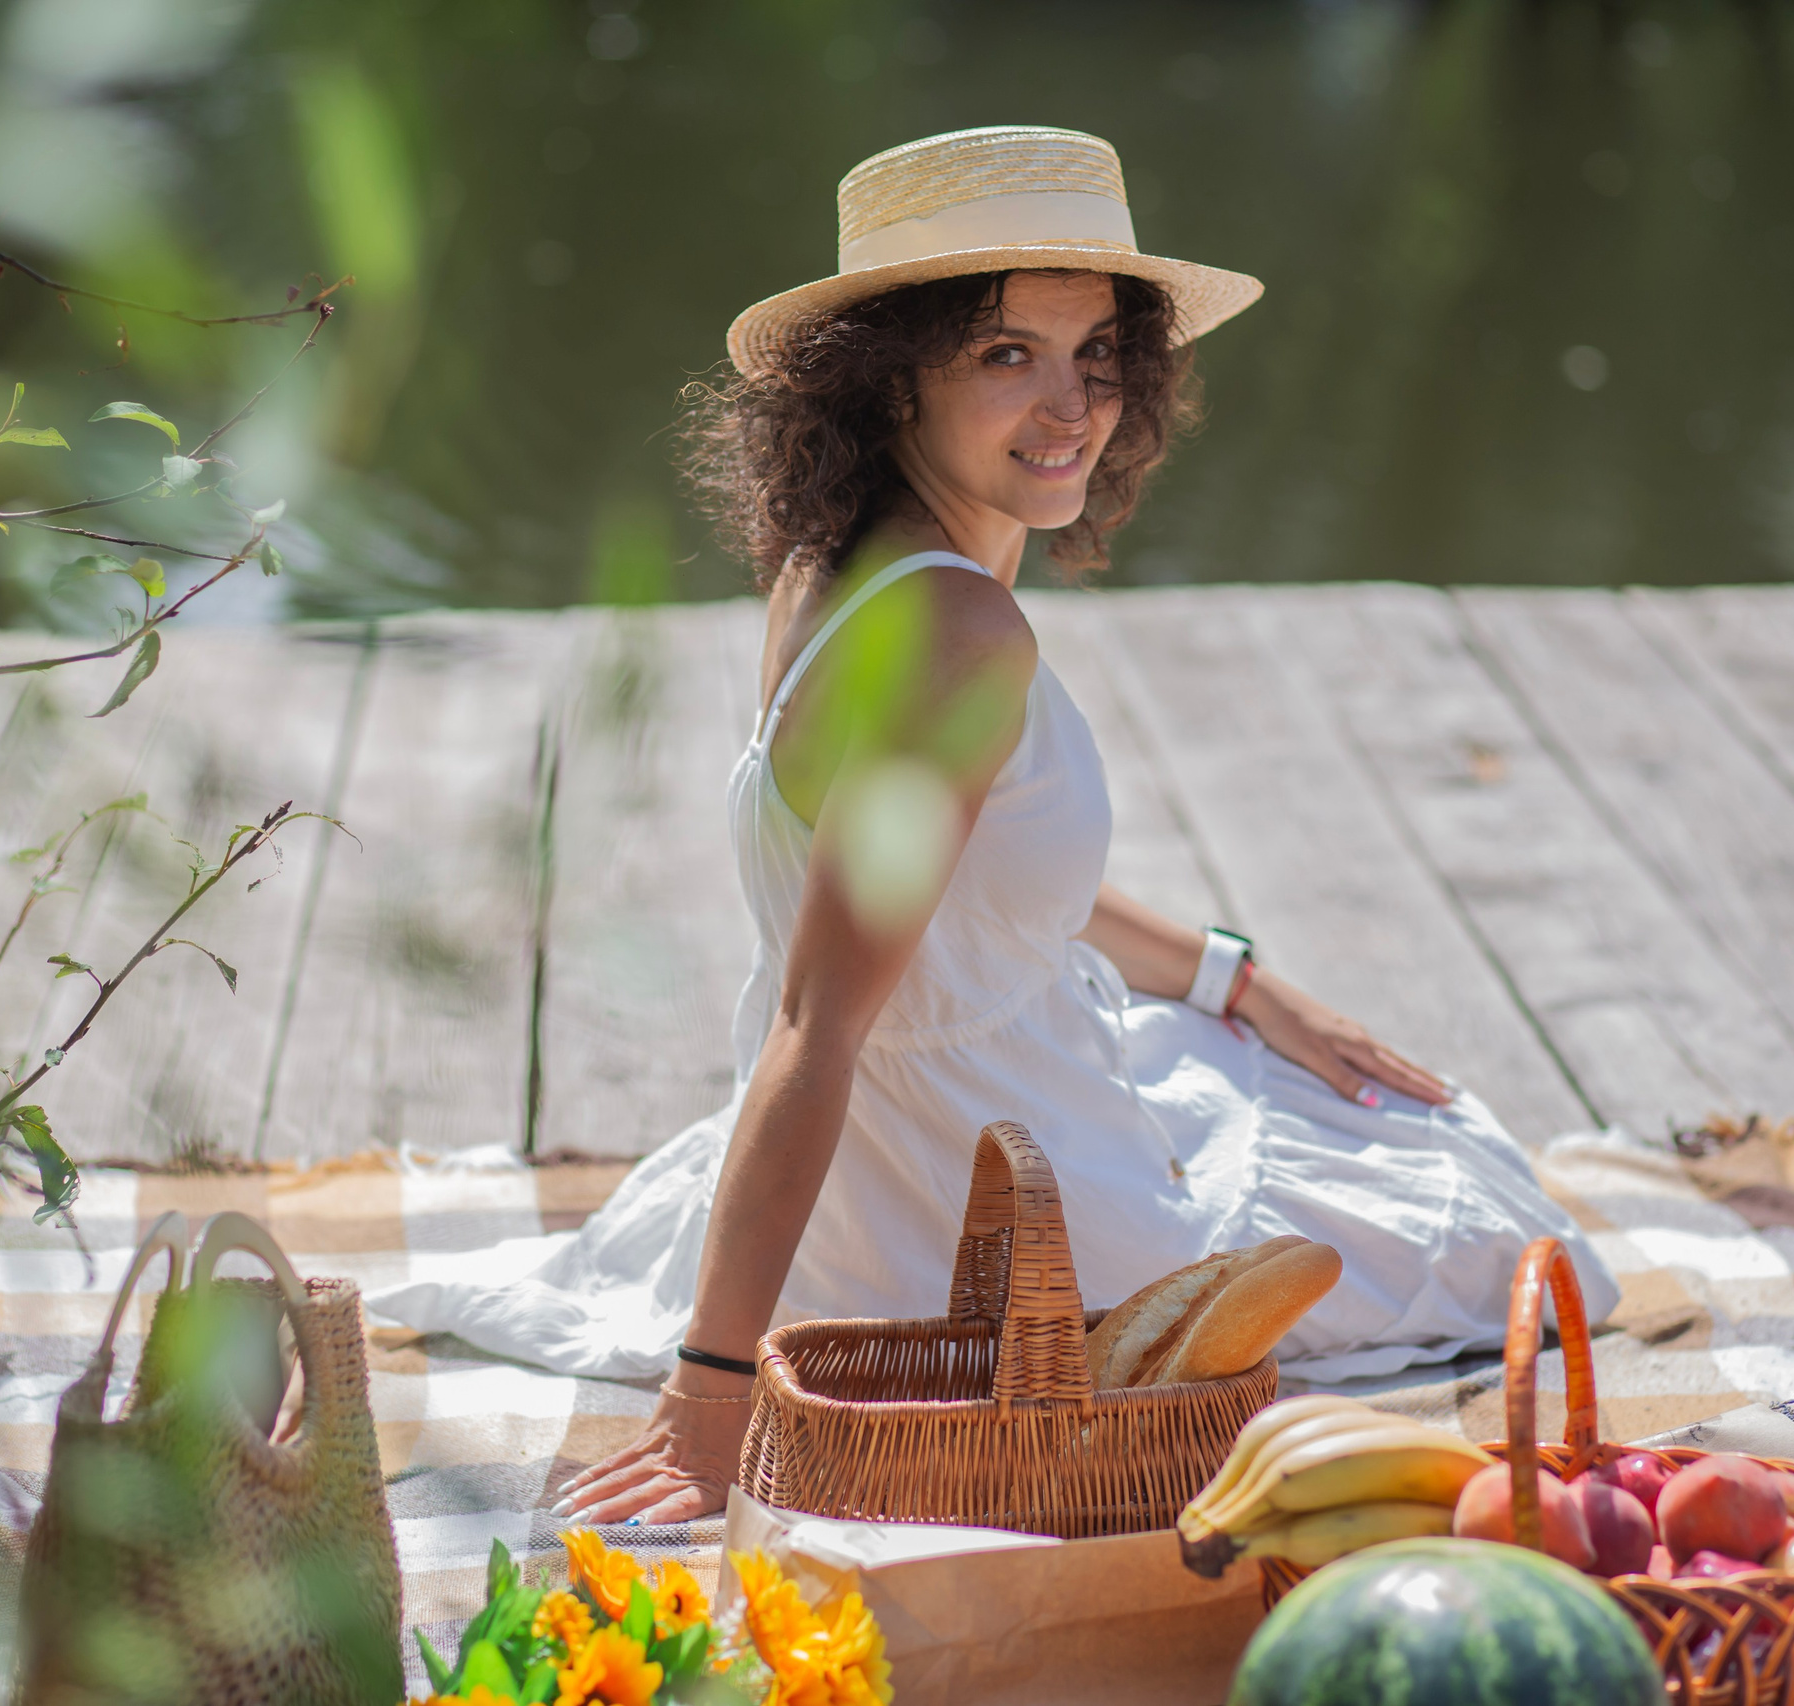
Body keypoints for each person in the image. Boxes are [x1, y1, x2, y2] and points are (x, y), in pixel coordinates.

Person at [368, 125, 1615, 1524]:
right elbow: (815, 1027)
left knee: (1294, 1073)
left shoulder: (832, 563)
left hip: (949, 1118)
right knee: (1491, 1205)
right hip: (983, 1210)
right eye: (1006, 354)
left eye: (1096, 355)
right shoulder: (957, 631)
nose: (1070, 404)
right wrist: (711, 1394)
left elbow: (964, 878)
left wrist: (1241, 981)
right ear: (890, 374)